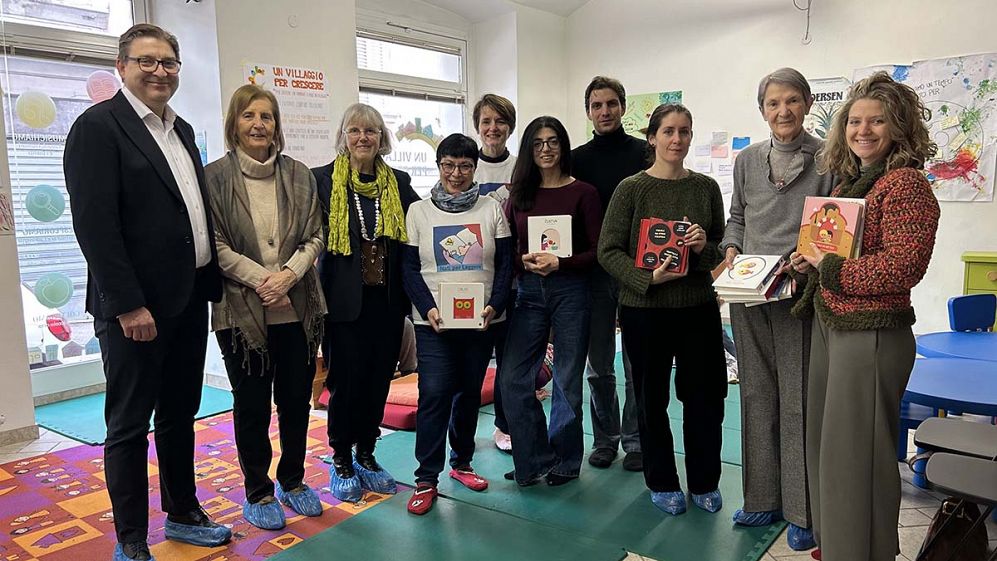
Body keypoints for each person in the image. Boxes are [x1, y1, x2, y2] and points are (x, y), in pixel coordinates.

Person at [64, 23, 231, 561]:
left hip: (188, 299)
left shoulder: (181, 130)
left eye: (169, 62)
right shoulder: (98, 127)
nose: (160, 71)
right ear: (122, 67)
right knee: (130, 425)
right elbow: (95, 226)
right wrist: (128, 304)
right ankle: (131, 538)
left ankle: (183, 512)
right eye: (147, 61)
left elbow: (188, 212)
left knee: (180, 415)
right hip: (135, 310)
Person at [791, 71, 939, 561]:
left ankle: (860, 552)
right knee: (830, 449)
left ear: (898, 127)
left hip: (871, 336)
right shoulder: (853, 183)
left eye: (877, 121)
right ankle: (840, 544)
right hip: (835, 326)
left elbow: (903, 267)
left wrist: (829, 268)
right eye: (855, 121)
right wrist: (810, 262)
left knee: (858, 458)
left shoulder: (906, 185)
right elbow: (842, 256)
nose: (863, 131)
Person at [719, 67, 834, 550]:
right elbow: (737, 218)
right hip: (749, 296)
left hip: (798, 295)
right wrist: (730, 248)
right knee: (756, 394)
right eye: (773, 103)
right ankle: (762, 497)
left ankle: (802, 509)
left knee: (799, 399)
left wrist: (812, 261)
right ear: (762, 109)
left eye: (791, 101)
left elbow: (837, 226)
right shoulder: (747, 160)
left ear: (807, 103)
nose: (782, 111)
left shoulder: (829, 157)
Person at [204, 84, 327, 530]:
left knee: (295, 402)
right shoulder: (213, 177)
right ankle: (257, 490)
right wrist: (263, 280)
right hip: (241, 314)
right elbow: (213, 243)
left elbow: (316, 235)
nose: (258, 124)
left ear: (277, 125)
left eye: (267, 116)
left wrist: (288, 276)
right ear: (234, 123)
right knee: (252, 405)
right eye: (249, 115)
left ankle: (293, 480)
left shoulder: (299, 174)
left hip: (298, 308)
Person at [598, 104, 727, 516]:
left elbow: (719, 249)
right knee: (650, 400)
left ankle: (704, 480)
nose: (677, 139)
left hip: (698, 308)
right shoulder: (631, 189)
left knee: (705, 398)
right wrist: (646, 279)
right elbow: (608, 250)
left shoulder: (706, 188)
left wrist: (702, 247)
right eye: (669, 131)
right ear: (652, 138)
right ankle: (662, 481)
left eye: (684, 131)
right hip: (645, 310)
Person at [401, 133, 514, 514]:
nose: (456, 173)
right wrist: (427, 307)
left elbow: (505, 264)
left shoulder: (491, 209)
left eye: (465, 166)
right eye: (448, 165)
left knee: (468, 393)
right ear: (438, 166)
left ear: (474, 168)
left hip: (482, 321)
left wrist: (495, 305)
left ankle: (462, 462)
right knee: (434, 393)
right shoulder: (418, 212)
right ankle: (425, 478)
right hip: (433, 322)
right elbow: (409, 268)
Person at [313, 103, 420, 503]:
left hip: (386, 302)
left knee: (377, 380)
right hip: (343, 303)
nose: (363, 138)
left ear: (381, 138)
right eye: (355, 130)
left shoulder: (399, 182)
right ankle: (341, 457)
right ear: (343, 136)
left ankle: (367, 454)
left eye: (371, 131)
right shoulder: (322, 180)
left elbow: (421, 225)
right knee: (345, 382)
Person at [500, 116, 602, 487]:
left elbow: (598, 251)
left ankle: (565, 460)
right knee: (512, 378)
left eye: (553, 141)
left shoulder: (584, 193)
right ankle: (533, 458)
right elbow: (507, 249)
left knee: (567, 381)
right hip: (529, 292)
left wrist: (561, 263)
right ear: (529, 149)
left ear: (563, 145)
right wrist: (522, 262)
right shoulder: (519, 196)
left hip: (572, 291)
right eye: (538, 142)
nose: (546, 149)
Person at [572, 76, 647, 471]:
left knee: (637, 363)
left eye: (611, 104)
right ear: (588, 112)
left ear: (623, 107)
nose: (605, 111)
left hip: (636, 271)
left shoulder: (644, 153)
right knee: (599, 364)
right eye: (597, 105)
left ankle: (636, 440)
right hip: (593, 274)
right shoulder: (576, 160)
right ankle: (605, 440)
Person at [472, 94, 518, 451]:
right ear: (477, 126)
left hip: (515, 280)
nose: (493, 128)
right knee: (471, 362)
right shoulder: (466, 167)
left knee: (509, 360)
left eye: (500, 121)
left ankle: (504, 425)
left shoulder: (522, 168)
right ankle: (461, 433)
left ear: (510, 127)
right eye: (486, 121)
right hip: (474, 281)